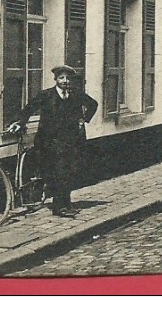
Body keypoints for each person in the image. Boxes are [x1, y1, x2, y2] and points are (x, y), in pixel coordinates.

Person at [7, 65, 98, 218]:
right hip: (49, 142)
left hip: (71, 141)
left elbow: (93, 104)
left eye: (68, 78)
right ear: (55, 79)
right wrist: (20, 122)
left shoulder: (76, 94)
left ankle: (66, 204)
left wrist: (84, 119)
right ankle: (58, 207)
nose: (65, 81)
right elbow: (30, 109)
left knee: (68, 173)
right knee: (58, 173)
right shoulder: (46, 95)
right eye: (62, 78)